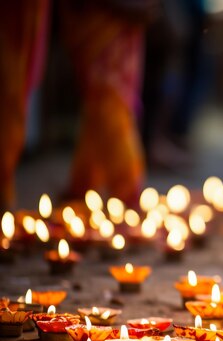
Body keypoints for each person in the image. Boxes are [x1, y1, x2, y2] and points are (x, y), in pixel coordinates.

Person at [0, 0, 154, 210]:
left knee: (110, 99)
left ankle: (84, 188)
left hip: (121, 21)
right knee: (106, 99)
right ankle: (127, 190)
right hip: (99, 14)